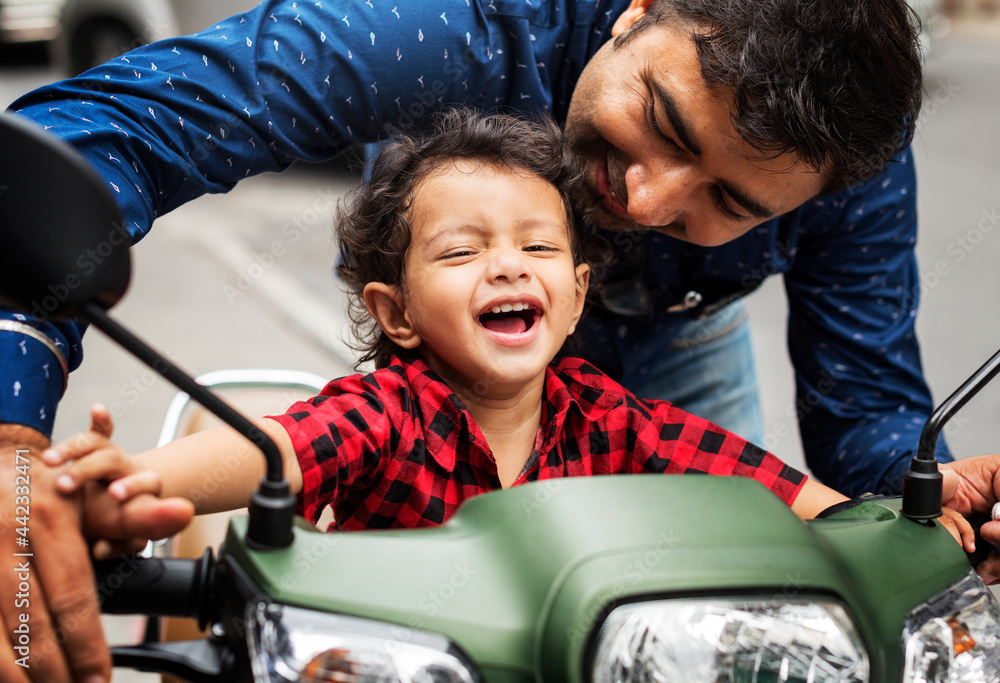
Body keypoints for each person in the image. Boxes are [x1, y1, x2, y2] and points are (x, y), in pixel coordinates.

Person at [0, 0, 987, 680]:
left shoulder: (847, 167)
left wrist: (941, 503)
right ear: (645, 4)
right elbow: (108, 133)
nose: (644, 208)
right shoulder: (458, 16)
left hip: (669, 356)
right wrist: (23, 445)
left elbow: (867, 443)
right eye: (666, 123)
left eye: (729, 205)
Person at [43, 109, 859, 535]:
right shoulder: (385, 414)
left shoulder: (610, 419)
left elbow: (767, 487)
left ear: (575, 297)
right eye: (462, 251)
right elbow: (281, 448)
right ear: (394, 313)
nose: (508, 265)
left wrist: (885, 526)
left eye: (538, 246)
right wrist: (135, 483)